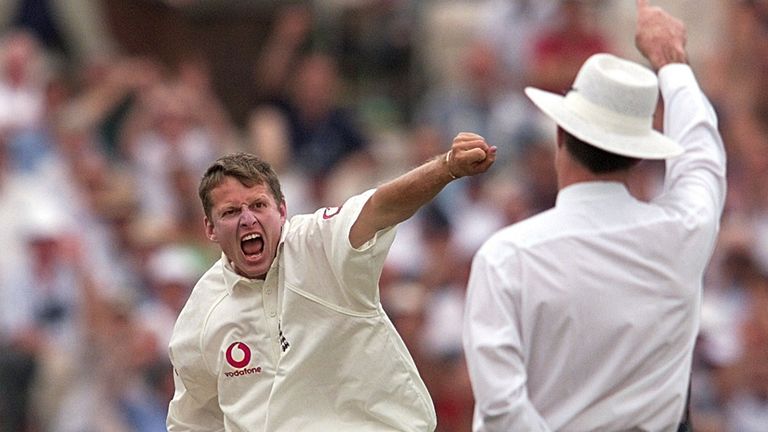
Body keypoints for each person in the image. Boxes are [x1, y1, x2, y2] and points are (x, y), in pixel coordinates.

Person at [462, 1, 726, 431]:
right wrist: (670, 61)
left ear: (561, 134)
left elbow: (503, 410)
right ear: (640, 156)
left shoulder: (506, 258)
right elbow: (702, 157)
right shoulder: (682, 232)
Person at [167, 133, 496, 430]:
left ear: (282, 211)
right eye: (231, 212)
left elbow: (382, 206)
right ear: (210, 228)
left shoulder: (318, 243)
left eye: (258, 205)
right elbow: (190, 423)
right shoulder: (199, 317)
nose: (248, 219)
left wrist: (447, 167)